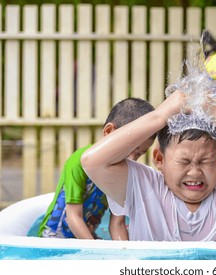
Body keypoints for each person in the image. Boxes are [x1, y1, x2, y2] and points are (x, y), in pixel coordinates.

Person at [81, 89, 216, 241]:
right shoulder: (142, 186)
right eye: (184, 161)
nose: (195, 172)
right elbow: (92, 161)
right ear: (159, 159)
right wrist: (160, 116)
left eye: (206, 161)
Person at [38, 97, 156, 240]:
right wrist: (94, 250)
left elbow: (117, 224)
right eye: (130, 148)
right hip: (54, 235)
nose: (131, 158)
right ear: (109, 131)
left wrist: (127, 254)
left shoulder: (124, 176)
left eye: (138, 154)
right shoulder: (78, 161)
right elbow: (73, 217)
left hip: (87, 235)